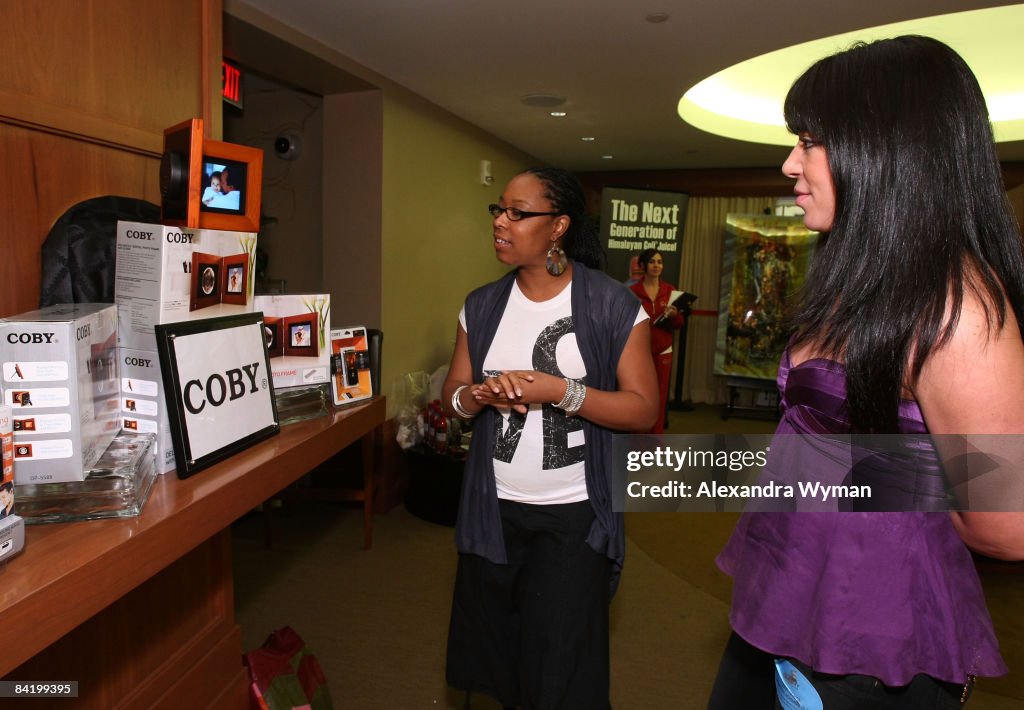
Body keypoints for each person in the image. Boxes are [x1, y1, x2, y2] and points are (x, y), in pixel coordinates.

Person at [708, 36, 1024, 709]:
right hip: (789, 592)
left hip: (870, 633)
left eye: (810, 140)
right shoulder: (852, 272)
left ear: (888, 148)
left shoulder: (957, 305)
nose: (790, 162)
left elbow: (1007, 522)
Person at [442, 166, 659, 709]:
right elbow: (451, 396)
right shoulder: (481, 305)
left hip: (573, 514)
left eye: (518, 213)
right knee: (500, 657)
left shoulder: (612, 305)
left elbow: (642, 410)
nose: (500, 222)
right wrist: (478, 398)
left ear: (558, 225)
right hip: (492, 511)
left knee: (561, 666)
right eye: (498, 209)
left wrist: (561, 391)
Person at [629, 248, 684, 434]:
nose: (656, 265)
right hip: (639, 354)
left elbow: (679, 324)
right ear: (643, 266)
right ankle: (637, 442)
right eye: (652, 262)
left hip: (663, 351)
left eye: (659, 262)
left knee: (659, 399)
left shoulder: (670, 290)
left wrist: (675, 316)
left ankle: (655, 445)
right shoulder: (632, 291)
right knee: (639, 397)